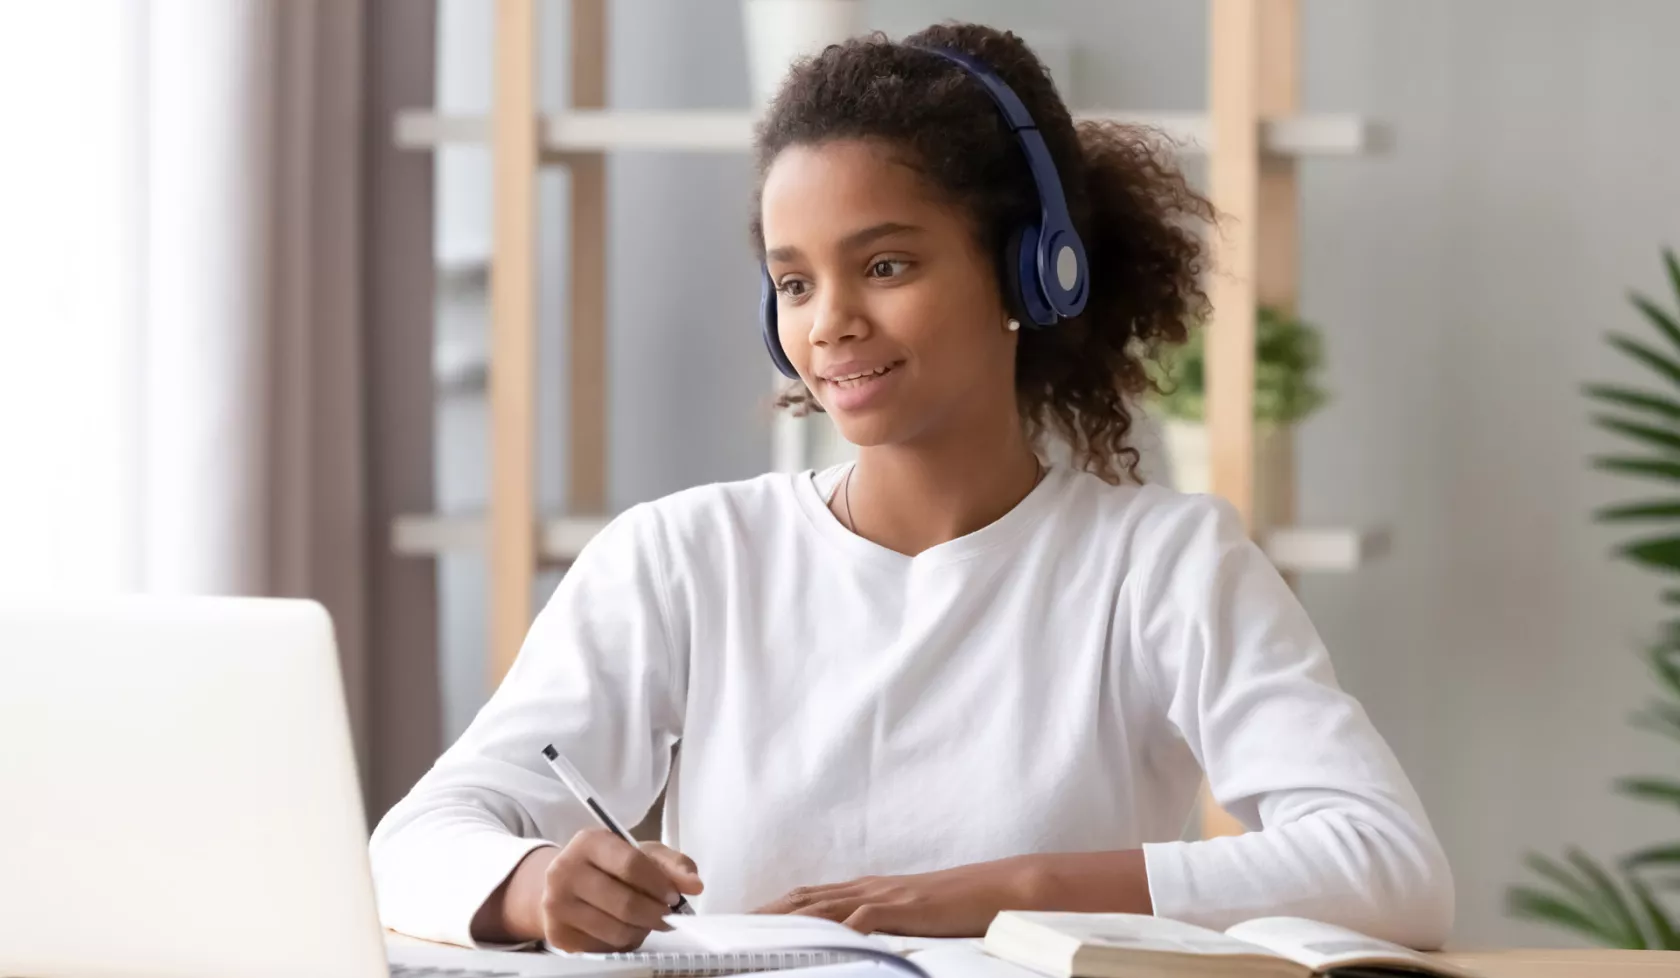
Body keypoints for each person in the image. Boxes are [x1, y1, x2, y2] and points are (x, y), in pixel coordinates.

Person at [370, 21, 1454, 957]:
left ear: (1032, 270)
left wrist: (1011, 894)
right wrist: (532, 887)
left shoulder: (1164, 566)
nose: (828, 320)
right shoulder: (682, 558)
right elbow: (411, 845)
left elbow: (1391, 869)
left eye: (885, 265)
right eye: (794, 282)